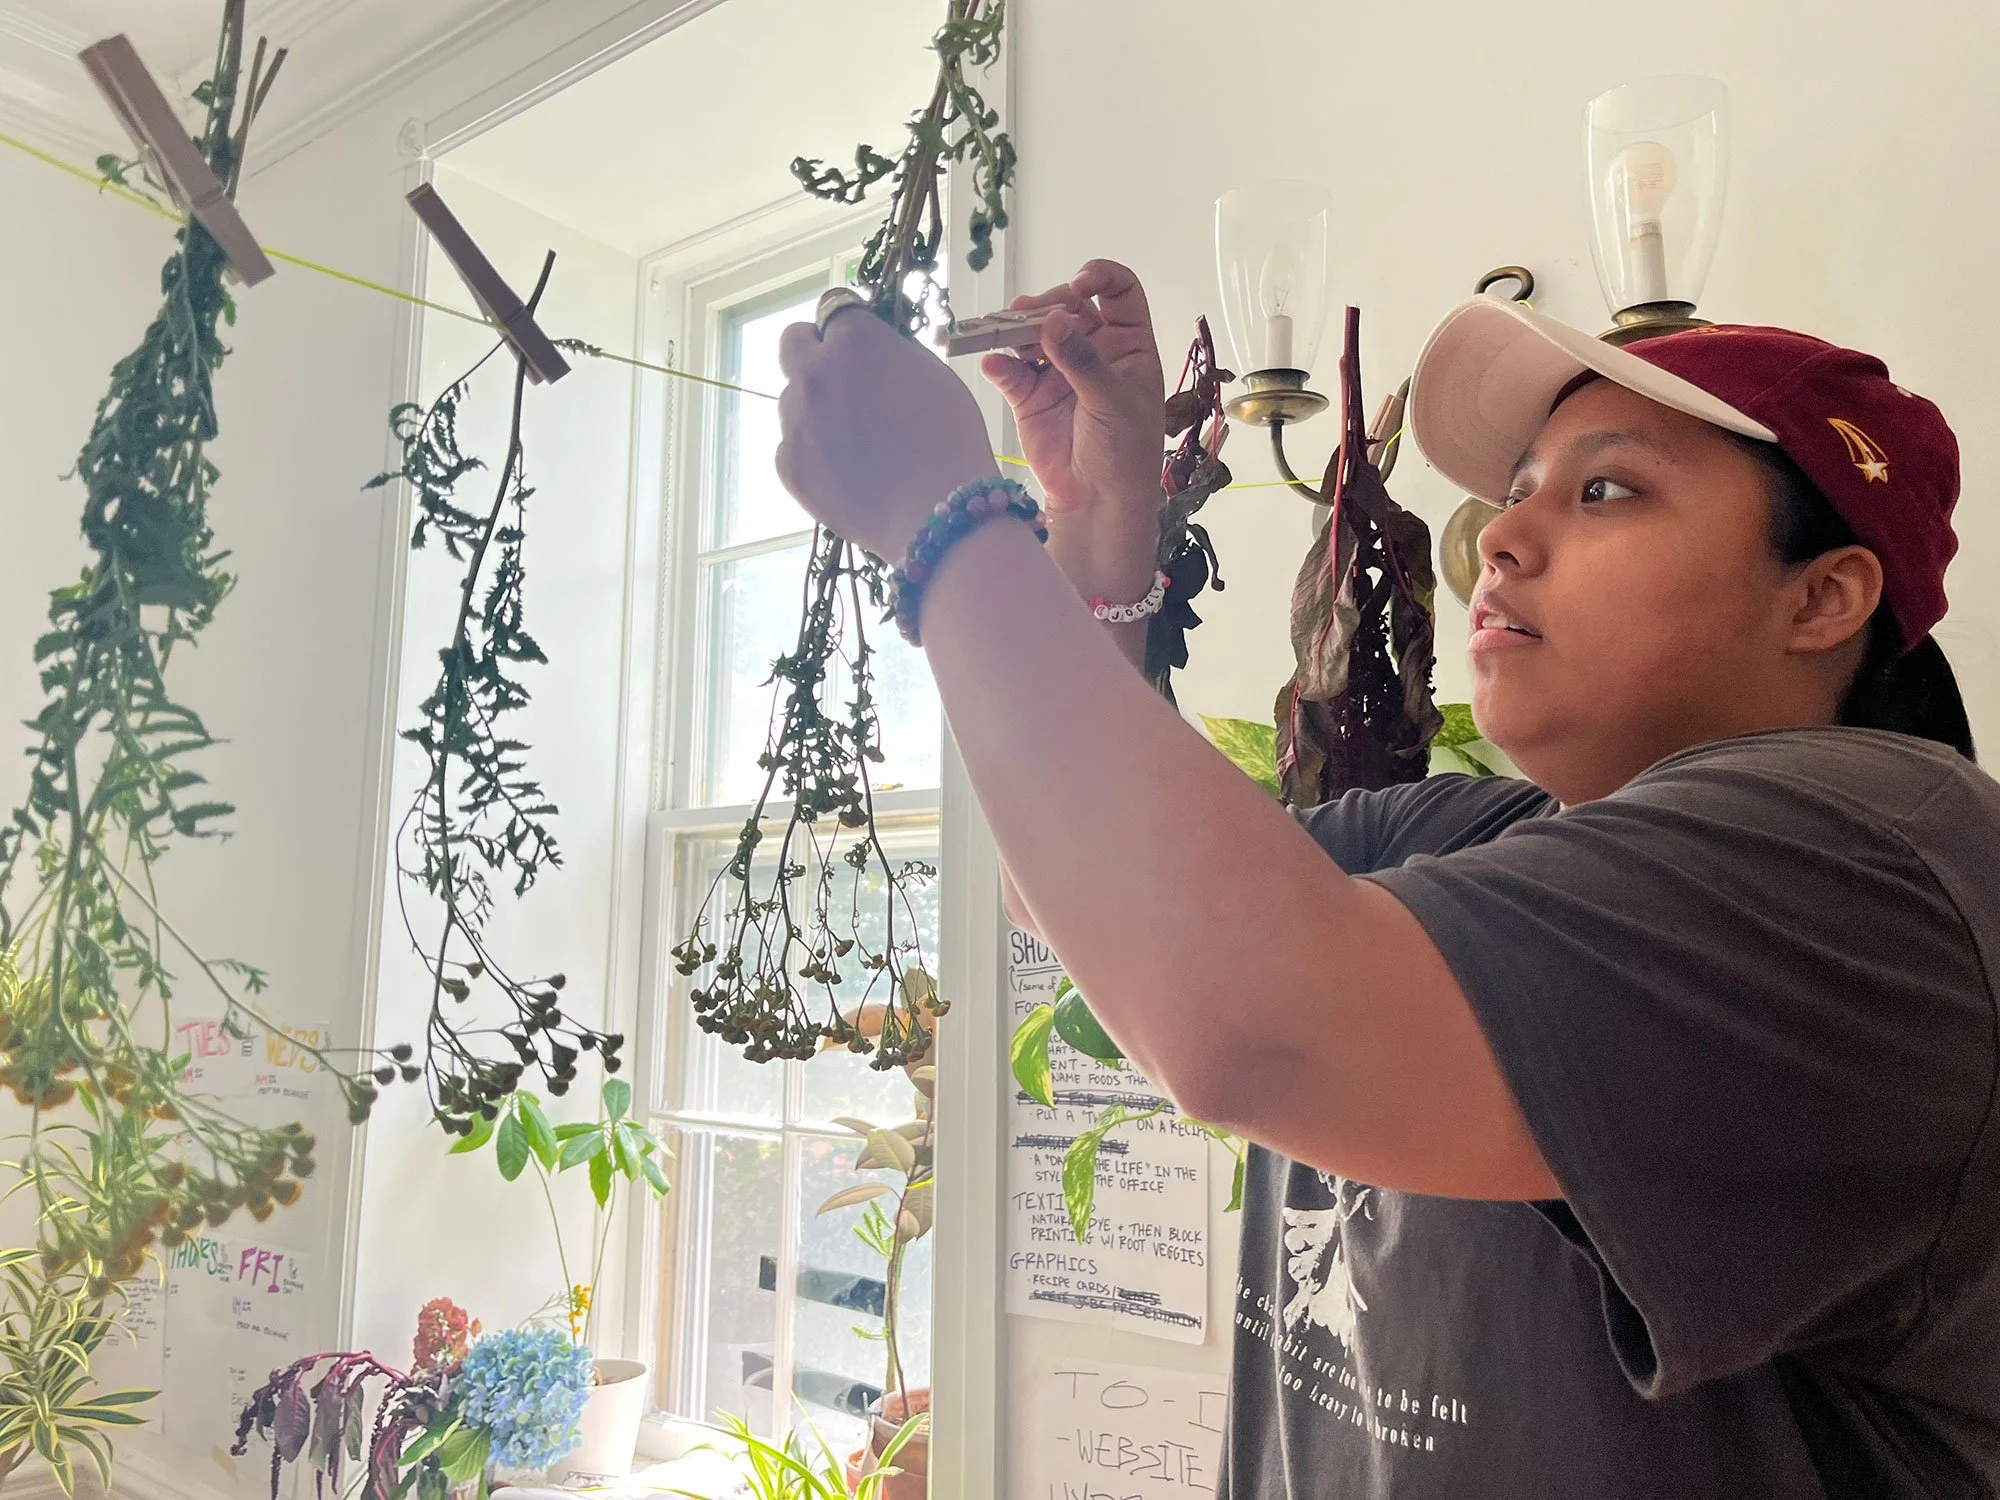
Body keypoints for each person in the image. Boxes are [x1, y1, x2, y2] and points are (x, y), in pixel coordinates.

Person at [772, 260, 2000, 1497]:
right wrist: (1097, 537)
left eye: (1605, 491)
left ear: (1824, 596)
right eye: (1515, 494)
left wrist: (947, 520)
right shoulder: (1475, 834)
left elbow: (1241, 1021)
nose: (1499, 540)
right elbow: (1096, 904)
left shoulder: (1878, 866)